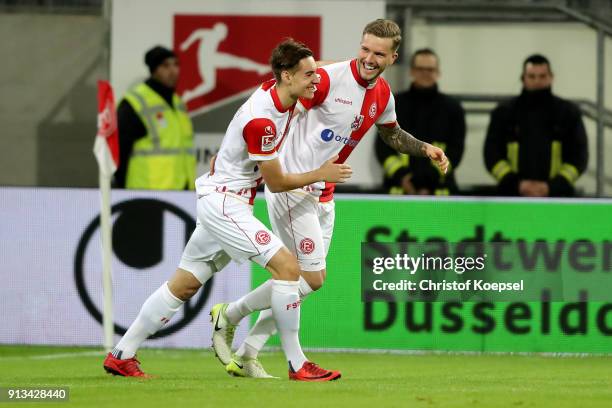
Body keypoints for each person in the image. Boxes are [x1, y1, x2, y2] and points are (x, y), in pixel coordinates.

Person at [103, 39, 352, 381]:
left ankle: (121, 354)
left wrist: (358, 65)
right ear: (286, 76)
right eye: (309, 76)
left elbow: (321, 67)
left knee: (184, 284)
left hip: (223, 198)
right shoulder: (261, 121)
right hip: (225, 203)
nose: (316, 81)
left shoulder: (280, 90)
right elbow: (276, 183)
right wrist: (321, 174)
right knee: (287, 268)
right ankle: (297, 364)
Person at [212, 19, 448, 378]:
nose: (369, 58)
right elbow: (289, 86)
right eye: (365, 49)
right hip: (295, 189)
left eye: (378, 53)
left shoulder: (383, 94)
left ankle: (245, 345)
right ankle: (291, 359)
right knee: (309, 278)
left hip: (325, 192)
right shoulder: (327, 80)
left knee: (301, 282)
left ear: (393, 57)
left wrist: (424, 148)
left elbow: (391, 134)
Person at [484, 54, 588, 197]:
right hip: (512, 196)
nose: (537, 81)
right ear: (523, 78)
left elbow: (579, 156)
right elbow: (491, 154)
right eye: (532, 76)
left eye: (542, 76)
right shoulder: (504, 112)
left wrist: (554, 186)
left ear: (551, 77)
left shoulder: (568, 113)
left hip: (558, 197)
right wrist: (516, 184)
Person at [375, 48, 465, 195]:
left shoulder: (453, 109)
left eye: (430, 69)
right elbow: (382, 147)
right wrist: (403, 177)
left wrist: (431, 178)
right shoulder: (393, 103)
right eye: (420, 69)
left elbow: (456, 151)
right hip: (399, 192)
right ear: (411, 71)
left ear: (438, 73)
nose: (425, 73)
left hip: (440, 193)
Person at [115, 45, 196, 190]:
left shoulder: (178, 104)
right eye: (165, 66)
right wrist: (120, 188)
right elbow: (119, 150)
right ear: (154, 70)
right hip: (146, 191)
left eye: (176, 65)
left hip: (182, 193)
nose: (173, 71)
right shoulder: (135, 102)